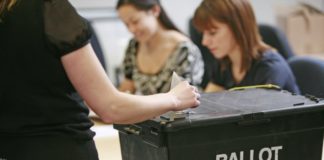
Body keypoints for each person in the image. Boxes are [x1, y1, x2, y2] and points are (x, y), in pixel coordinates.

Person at [0, 0, 200, 159]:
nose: (131, 29)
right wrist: (173, 99)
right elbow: (111, 107)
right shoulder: (51, 11)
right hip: (59, 149)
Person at [192, 0, 300, 94]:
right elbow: (209, 104)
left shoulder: (270, 69)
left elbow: (259, 116)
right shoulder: (223, 63)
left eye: (212, 32)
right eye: (203, 33)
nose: (204, 42)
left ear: (238, 28)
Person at [116, 0, 204, 95]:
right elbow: (127, 87)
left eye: (135, 21)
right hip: (145, 108)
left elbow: (183, 99)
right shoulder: (134, 45)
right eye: (126, 24)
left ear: (155, 10)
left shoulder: (184, 50)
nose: (131, 29)